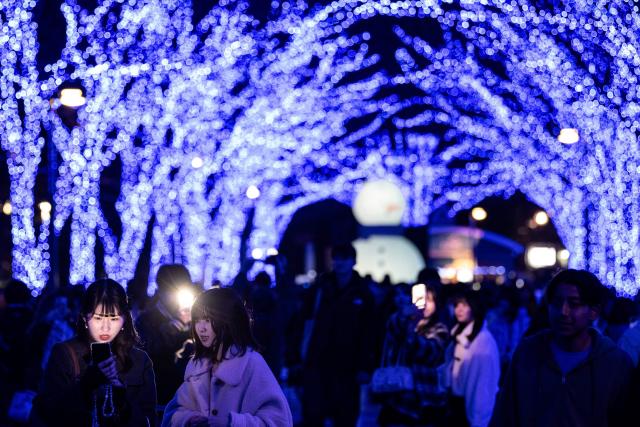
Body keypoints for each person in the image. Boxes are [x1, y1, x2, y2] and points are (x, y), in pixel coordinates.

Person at [490, 269, 634, 427]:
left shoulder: (615, 362)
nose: (563, 312)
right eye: (557, 303)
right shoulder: (527, 353)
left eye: (574, 304)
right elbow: (505, 416)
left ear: (593, 311)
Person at [31, 279, 157, 426]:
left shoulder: (139, 360)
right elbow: (50, 411)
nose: (106, 327)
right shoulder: (65, 354)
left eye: (114, 318)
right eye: (98, 318)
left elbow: (148, 419)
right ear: (85, 318)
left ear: (125, 320)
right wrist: (86, 384)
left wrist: (120, 394)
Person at [161, 286, 292, 427]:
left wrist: (232, 423)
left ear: (227, 320)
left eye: (207, 319)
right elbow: (173, 413)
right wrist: (189, 420)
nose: (201, 327)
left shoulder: (251, 363)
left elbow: (279, 421)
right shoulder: (197, 366)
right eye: (197, 320)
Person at [298, 243, 375, 427]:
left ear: (353, 262)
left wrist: (365, 366)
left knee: (345, 416)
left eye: (344, 259)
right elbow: (303, 321)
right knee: (314, 415)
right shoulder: (319, 289)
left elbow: (369, 332)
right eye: (336, 258)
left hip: (349, 365)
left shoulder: (363, 294)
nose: (339, 263)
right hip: (318, 361)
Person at [377, 282, 450, 426]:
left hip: (426, 398)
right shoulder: (401, 322)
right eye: (421, 299)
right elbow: (392, 328)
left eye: (430, 300)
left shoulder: (440, 329)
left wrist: (410, 333)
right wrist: (406, 316)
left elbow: (429, 352)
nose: (425, 304)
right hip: (399, 397)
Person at [136, 264, 194, 405]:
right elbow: (146, 354)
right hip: (158, 395)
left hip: (189, 396)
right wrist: (172, 331)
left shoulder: (196, 318)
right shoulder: (145, 320)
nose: (177, 297)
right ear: (160, 291)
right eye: (172, 291)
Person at [444, 287, 500, 427]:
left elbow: (483, 388)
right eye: (456, 305)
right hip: (455, 404)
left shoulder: (483, 342)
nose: (459, 309)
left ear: (474, 307)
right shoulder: (457, 334)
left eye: (465, 305)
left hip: (470, 409)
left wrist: (478, 422)